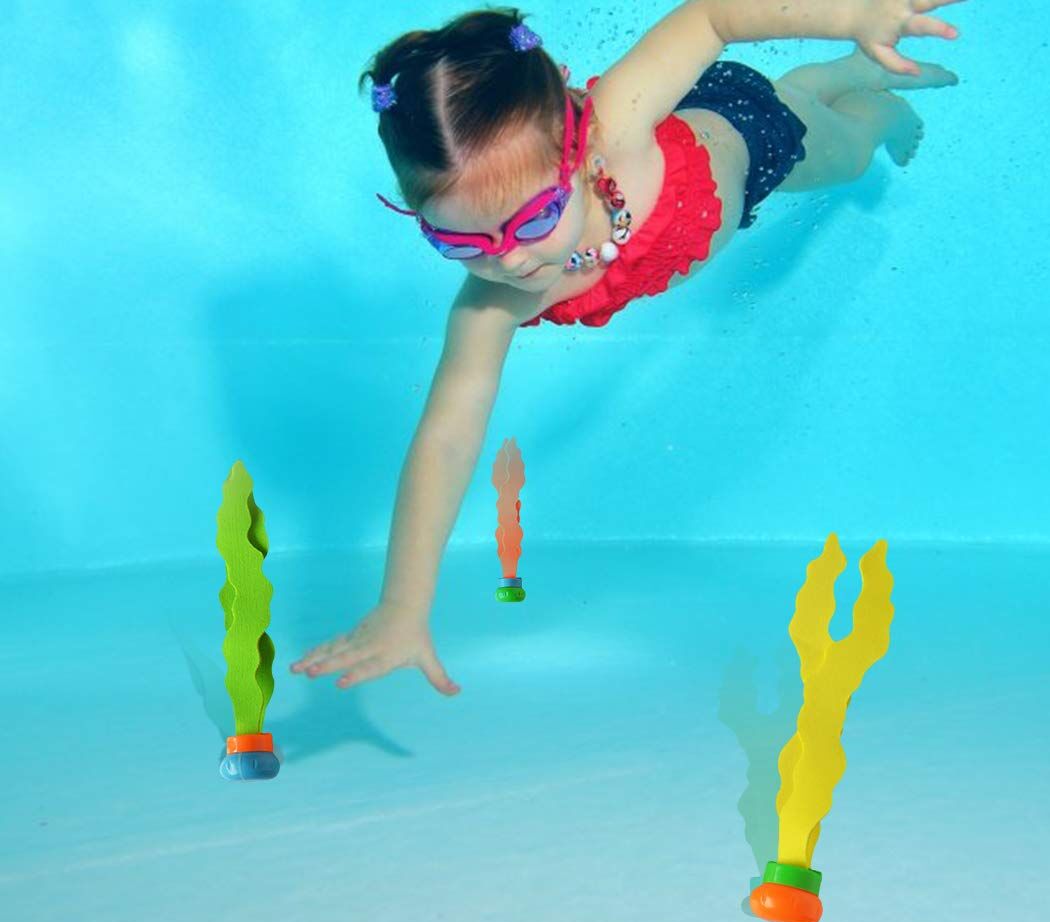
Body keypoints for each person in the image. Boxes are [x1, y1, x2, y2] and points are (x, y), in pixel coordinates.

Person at [291, 0, 961, 694]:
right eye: (462, 241)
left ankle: (878, 103)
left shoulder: (620, 118)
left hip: (748, 131)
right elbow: (447, 438)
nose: (511, 260)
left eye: (535, 219)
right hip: (714, 162)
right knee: (805, 100)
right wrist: (403, 606)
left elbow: (713, 19)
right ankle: (827, 79)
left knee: (847, 153)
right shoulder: (490, 305)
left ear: (580, 156)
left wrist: (851, 14)